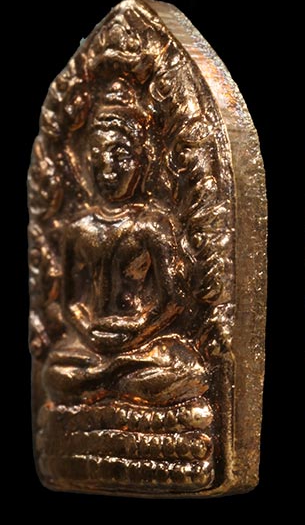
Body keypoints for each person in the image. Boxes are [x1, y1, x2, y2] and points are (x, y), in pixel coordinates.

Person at [43, 85, 206, 406]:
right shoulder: (79, 228)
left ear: (141, 162)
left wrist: (137, 328)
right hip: (93, 343)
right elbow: (70, 301)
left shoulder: (151, 225)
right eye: (100, 156)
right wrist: (88, 330)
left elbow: (173, 299)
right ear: (88, 161)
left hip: (140, 341)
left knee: (189, 372)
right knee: (54, 371)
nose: (110, 168)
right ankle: (110, 376)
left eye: (120, 156)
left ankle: (104, 380)